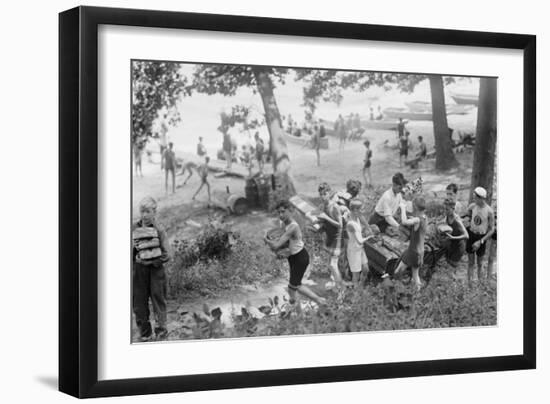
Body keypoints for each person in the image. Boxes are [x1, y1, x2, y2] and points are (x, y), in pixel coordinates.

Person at [264, 201, 327, 305]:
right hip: (293, 257)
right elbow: (285, 242)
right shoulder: (283, 223)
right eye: (278, 213)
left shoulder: (293, 227)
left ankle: (320, 301)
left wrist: (267, 240)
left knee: (294, 287)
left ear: (290, 211)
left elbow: (276, 245)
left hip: (300, 258)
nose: (280, 215)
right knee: (292, 287)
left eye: (283, 212)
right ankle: (296, 308)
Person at [132, 196, 169, 341]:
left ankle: (161, 331)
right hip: (139, 271)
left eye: (148, 211)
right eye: (142, 211)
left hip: (156, 271)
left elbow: (167, 253)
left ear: (154, 212)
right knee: (139, 302)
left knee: (158, 299)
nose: (144, 215)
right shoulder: (134, 228)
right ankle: (145, 332)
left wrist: (154, 261)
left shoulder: (159, 229)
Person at [393, 196, 428, 291]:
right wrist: (413, 218)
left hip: (413, 251)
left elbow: (404, 222)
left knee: (397, 272)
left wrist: (403, 208)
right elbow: (418, 221)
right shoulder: (424, 218)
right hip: (420, 252)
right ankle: (418, 294)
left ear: (415, 207)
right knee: (415, 275)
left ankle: (398, 290)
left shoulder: (417, 220)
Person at [465, 187, 495, 286]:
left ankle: (480, 285)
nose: (474, 199)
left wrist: (480, 241)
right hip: (471, 235)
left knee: (479, 263)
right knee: (470, 262)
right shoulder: (472, 206)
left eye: (475, 197)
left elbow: (492, 230)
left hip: (481, 238)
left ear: (482, 198)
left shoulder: (489, 211)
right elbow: (469, 215)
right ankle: (470, 285)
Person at [317, 182, 344, 287]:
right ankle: (334, 282)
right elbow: (326, 222)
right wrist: (320, 225)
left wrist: (325, 217)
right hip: (329, 237)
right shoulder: (324, 206)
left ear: (329, 193)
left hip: (337, 239)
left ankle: (341, 288)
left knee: (333, 265)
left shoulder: (335, 207)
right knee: (330, 264)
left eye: (325, 193)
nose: (323, 196)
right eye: (321, 194)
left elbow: (340, 225)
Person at [346, 199, 373, 286]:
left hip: (360, 248)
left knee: (365, 269)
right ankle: (355, 292)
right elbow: (359, 240)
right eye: (360, 209)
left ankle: (360, 285)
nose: (362, 211)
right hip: (354, 250)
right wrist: (369, 237)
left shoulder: (356, 217)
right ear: (355, 210)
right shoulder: (350, 224)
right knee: (356, 274)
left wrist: (369, 228)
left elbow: (362, 218)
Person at [441, 198, 469, 267]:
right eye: (444, 209)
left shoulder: (457, 220)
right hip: (451, 245)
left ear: (453, 208)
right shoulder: (447, 216)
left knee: (452, 266)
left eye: (447, 209)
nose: (445, 211)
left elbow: (466, 236)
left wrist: (453, 237)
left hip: (458, 246)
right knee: (448, 264)